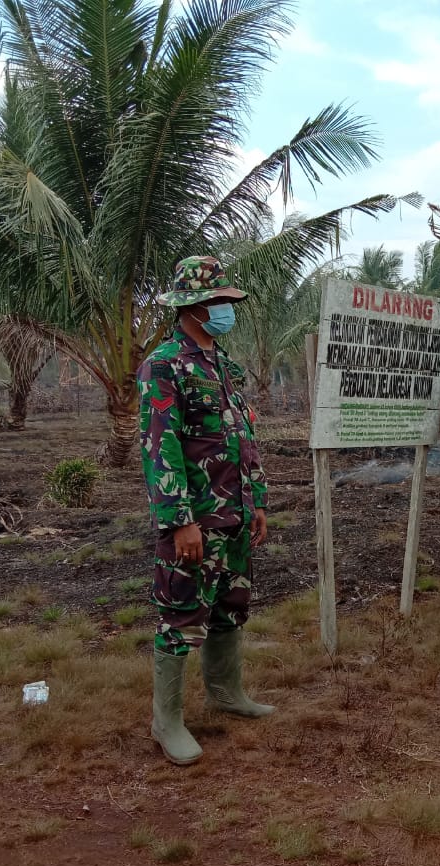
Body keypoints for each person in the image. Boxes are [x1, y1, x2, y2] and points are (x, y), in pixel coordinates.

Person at [137, 255, 272, 766]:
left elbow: (244, 441)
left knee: (230, 608)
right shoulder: (164, 365)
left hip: (234, 517)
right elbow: (160, 447)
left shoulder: (225, 367)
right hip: (194, 520)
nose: (225, 310)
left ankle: (226, 693)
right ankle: (166, 721)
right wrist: (180, 521)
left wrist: (256, 501)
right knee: (181, 615)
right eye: (218, 302)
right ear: (194, 307)